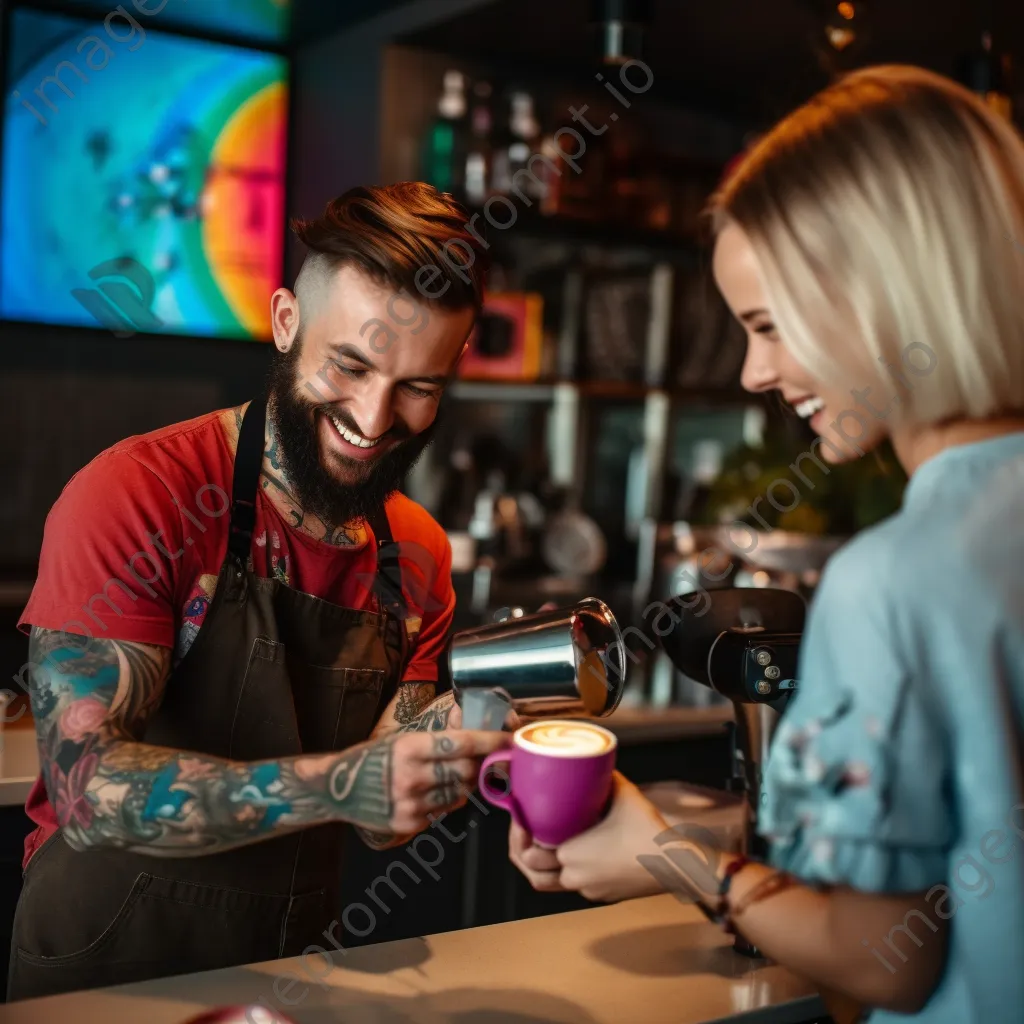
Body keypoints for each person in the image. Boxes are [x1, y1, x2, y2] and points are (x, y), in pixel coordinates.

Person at [510, 65, 1024, 1023]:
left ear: (891, 292)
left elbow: (886, 954)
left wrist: (668, 854)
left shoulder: (897, 579)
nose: (754, 372)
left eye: (770, 325)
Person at [9, 182, 512, 1001]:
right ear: (286, 323)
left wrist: (465, 742)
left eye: (419, 388)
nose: (375, 417)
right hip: (103, 969)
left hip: (285, 972)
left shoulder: (416, 552)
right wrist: (342, 781)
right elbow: (85, 789)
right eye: (349, 365)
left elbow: (381, 824)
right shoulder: (142, 493)